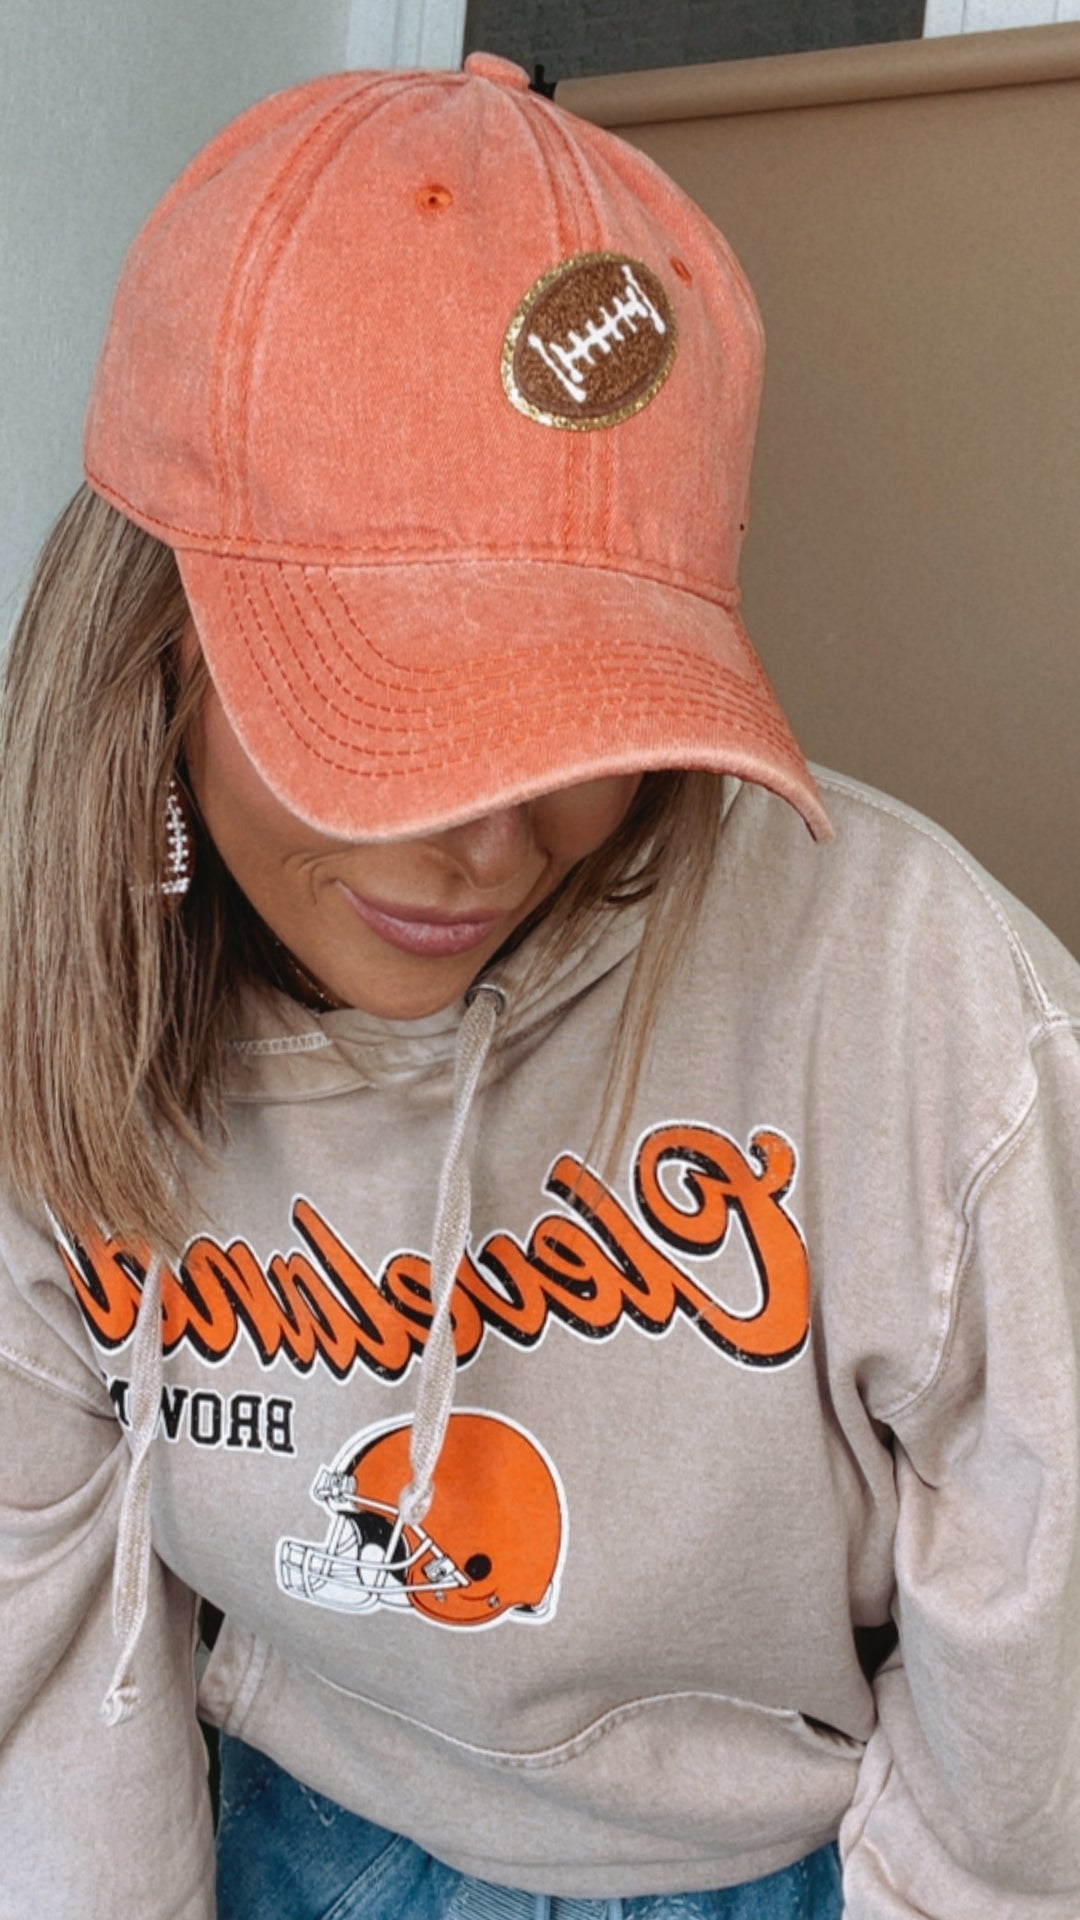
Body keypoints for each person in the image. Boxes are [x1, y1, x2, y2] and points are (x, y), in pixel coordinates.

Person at [0, 49, 1076, 1920]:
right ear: (148, 637)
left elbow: (1037, 1648)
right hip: (290, 1812)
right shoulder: (43, 1008)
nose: (490, 844)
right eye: (389, 707)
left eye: (582, 712)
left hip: (800, 1858)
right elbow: (49, 1660)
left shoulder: (927, 999)